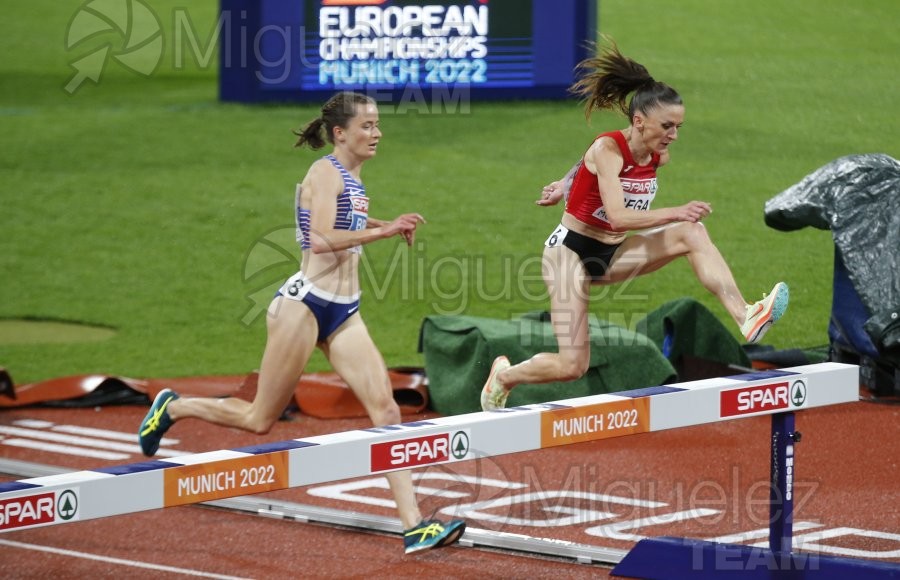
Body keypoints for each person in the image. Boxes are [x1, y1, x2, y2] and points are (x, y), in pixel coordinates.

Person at [139, 91, 465, 554]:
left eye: (377, 125)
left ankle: (414, 525)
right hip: (304, 306)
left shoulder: (350, 174)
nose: (376, 133)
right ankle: (173, 408)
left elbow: (341, 216)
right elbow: (321, 239)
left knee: (387, 411)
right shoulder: (324, 172)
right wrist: (384, 231)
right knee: (259, 420)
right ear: (340, 133)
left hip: (344, 310)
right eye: (367, 126)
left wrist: (383, 219)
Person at [481, 42, 789, 411]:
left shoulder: (658, 154)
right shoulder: (608, 149)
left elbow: (586, 168)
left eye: (678, 126)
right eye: (667, 125)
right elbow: (617, 216)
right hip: (569, 254)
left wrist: (566, 183)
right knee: (572, 365)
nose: (674, 134)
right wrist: (676, 211)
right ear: (639, 122)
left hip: (612, 253)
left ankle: (746, 315)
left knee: (694, 234)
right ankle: (504, 376)